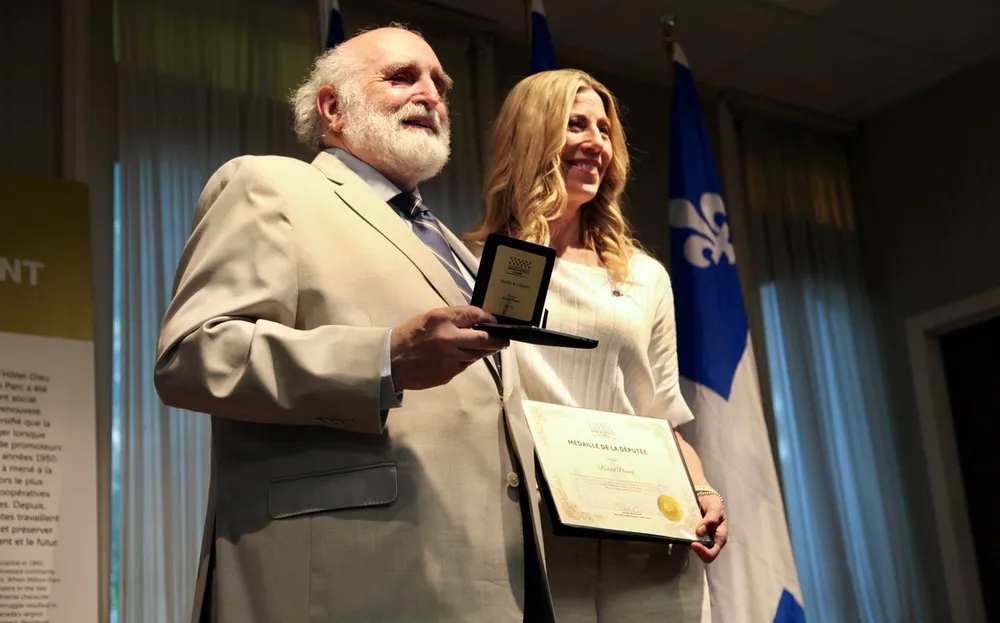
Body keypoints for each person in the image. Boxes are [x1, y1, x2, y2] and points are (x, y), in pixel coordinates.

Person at [154, 26, 554, 623]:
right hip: (350, 578)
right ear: (332, 107)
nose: (430, 95)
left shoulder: (454, 247)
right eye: (402, 77)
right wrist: (384, 359)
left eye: (439, 84)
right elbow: (192, 356)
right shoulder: (270, 186)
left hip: (491, 581)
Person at [465, 69, 729, 622]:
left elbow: (662, 420)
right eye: (575, 125)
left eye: (604, 129)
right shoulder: (468, 266)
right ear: (531, 136)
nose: (596, 143)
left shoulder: (643, 275)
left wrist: (703, 491)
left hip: (649, 541)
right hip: (535, 541)